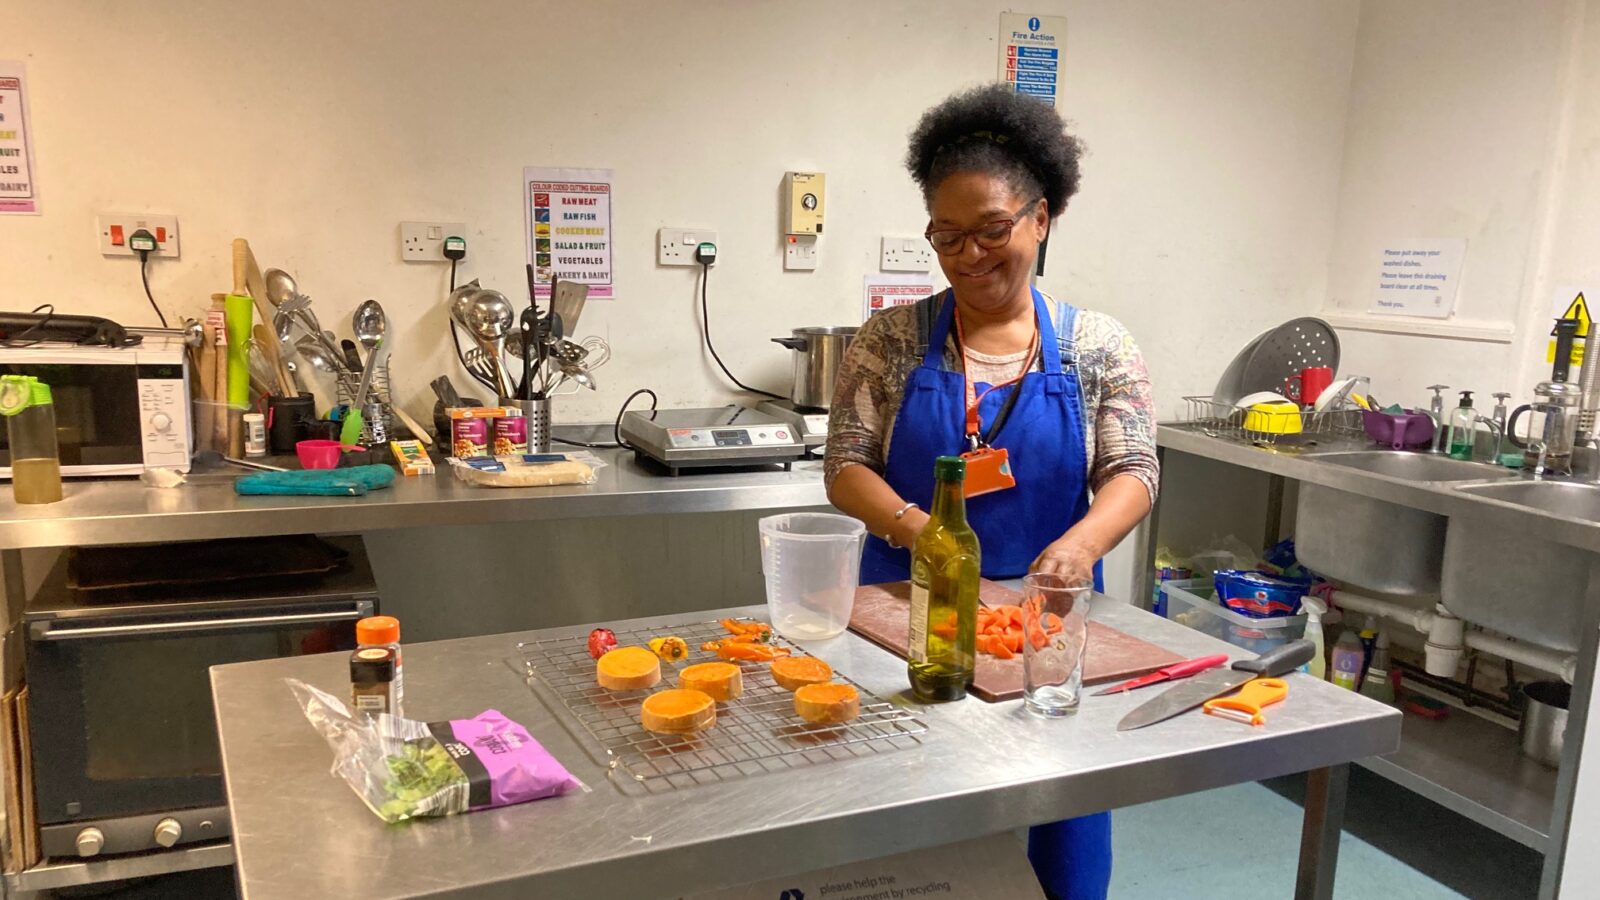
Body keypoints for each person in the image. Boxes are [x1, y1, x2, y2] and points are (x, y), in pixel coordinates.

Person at [823, 83, 1159, 899]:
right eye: (947, 236)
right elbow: (845, 462)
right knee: (907, 819)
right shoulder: (893, 339)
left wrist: (1079, 548)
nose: (970, 254)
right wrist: (914, 528)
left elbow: (1133, 469)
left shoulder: (1096, 347)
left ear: (1041, 219)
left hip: (1049, 619)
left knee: (1065, 813)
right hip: (910, 610)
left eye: (993, 230)